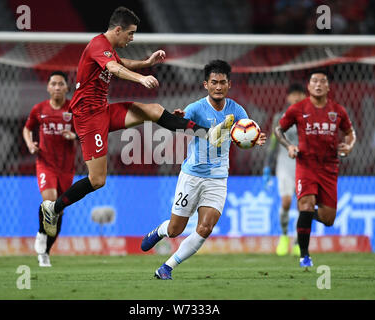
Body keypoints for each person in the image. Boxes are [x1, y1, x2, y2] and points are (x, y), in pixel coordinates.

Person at [39, 7, 233, 236]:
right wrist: (141, 79)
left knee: (152, 110)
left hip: (102, 110)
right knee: (97, 179)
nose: (132, 38)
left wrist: (146, 62)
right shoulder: (98, 44)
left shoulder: (106, 49)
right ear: (118, 29)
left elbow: (120, 63)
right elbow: (114, 67)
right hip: (88, 118)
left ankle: (206, 133)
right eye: (130, 34)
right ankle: (53, 208)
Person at [140, 60, 267, 280]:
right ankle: (161, 231)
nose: (218, 87)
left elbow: (244, 135)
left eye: (223, 83)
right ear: (205, 84)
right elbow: (180, 124)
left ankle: (166, 267)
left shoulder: (237, 111)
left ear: (229, 85)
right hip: (192, 176)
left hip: (218, 178)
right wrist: (179, 118)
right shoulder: (196, 108)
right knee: (175, 230)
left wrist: (253, 139)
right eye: (214, 82)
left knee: (205, 227)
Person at [275, 69, 356, 267]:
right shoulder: (298, 109)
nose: (318, 84)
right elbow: (278, 130)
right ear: (309, 87)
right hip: (305, 165)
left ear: (328, 87)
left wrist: (349, 145)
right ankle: (304, 256)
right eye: (314, 81)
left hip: (329, 168)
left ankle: (305, 214)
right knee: (307, 204)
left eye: (322, 81)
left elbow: (350, 132)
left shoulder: (338, 110)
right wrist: (289, 146)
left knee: (328, 219)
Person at [23, 71, 77, 267]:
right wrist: (30, 145)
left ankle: (45, 251)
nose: (56, 87)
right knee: (50, 200)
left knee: (58, 211)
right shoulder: (39, 109)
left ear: (66, 87)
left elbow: (86, 130)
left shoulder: (73, 108)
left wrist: (74, 136)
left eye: (60, 84)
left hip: (66, 168)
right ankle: (40, 233)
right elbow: (27, 128)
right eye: (53, 83)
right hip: (45, 163)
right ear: (48, 87)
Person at [262, 83, 306, 257]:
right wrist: (267, 167)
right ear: (288, 97)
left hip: (304, 166)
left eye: (300, 94)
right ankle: (285, 235)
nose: (296, 97)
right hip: (285, 165)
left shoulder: (310, 117)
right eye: (294, 94)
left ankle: (298, 240)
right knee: (287, 202)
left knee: (303, 205)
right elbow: (273, 144)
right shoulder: (280, 118)